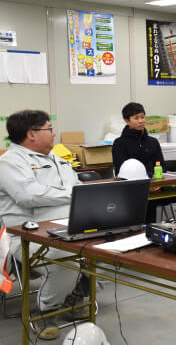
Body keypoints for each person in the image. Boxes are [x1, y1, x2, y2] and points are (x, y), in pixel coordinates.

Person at [0, 110, 83, 340]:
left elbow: (76, 187)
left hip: (70, 229)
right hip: (28, 237)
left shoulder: (58, 160)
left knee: (112, 247)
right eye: (49, 128)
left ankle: (74, 296)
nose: (54, 133)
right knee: (65, 257)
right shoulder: (8, 163)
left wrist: (76, 192)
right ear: (32, 134)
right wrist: (74, 193)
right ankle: (46, 311)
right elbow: (29, 195)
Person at [112, 102, 176, 223]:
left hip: (157, 186)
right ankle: (148, 236)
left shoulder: (152, 141)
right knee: (149, 203)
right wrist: (147, 186)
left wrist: (157, 183)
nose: (141, 121)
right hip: (136, 191)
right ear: (127, 121)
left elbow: (162, 166)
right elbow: (121, 171)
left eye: (142, 117)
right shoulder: (119, 143)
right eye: (136, 118)